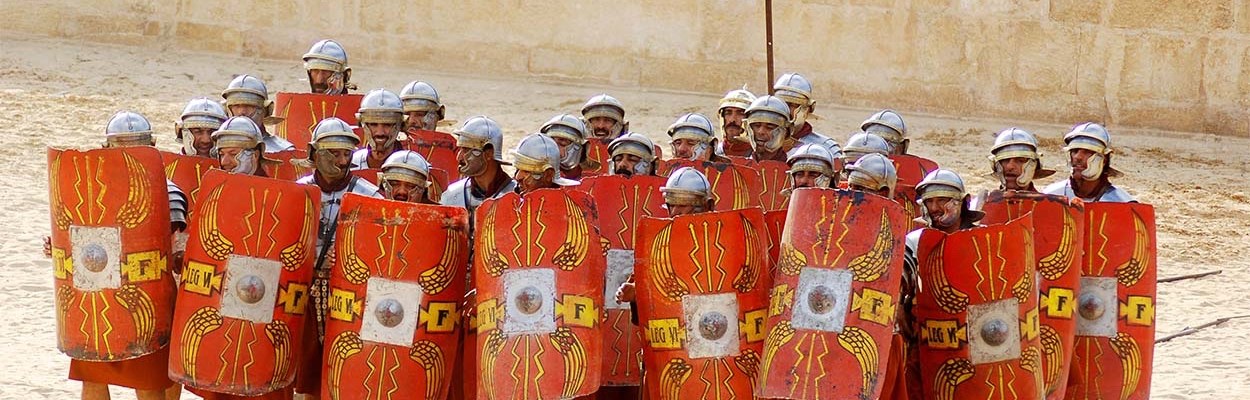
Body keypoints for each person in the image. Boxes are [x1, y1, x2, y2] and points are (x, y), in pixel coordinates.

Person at [54, 111, 185, 400]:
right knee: (93, 381)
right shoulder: (91, 192)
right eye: (120, 146)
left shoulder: (169, 192)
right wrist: (61, 246)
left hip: (146, 305)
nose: (128, 154)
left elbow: (173, 250)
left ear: (151, 147)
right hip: (97, 303)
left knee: (148, 385)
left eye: (136, 146)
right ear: (106, 149)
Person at [293, 117, 382, 400]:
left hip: (351, 297)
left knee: (349, 370)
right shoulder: (298, 191)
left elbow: (380, 250)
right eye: (334, 153)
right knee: (307, 374)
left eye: (347, 154)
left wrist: (349, 256)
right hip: (306, 293)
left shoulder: (370, 196)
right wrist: (314, 257)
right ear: (315, 153)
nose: (343, 161)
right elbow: (284, 242)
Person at [613, 166, 714, 305]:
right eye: (671, 205)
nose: (674, 212)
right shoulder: (658, 241)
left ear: (708, 206)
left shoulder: (726, 240)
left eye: (683, 205)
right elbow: (650, 283)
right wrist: (635, 291)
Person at [1042, 122, 1134, 202]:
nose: (1077, 157)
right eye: (1075, 151)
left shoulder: (1122, 202)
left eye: (1087, 152)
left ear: (1104, 160)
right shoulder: (1051, 196)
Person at [439, 116, 517, 209]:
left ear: (488, 153)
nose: (459, 157)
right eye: (460, 149)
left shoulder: (517, 197)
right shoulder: (452, 196)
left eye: (466, 150)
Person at [772, 73, 841, 157]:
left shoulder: (826, 148)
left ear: (808, 109)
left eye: (793, 105)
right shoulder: (760, 142)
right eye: (780, 103)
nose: (786, 110)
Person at [222, 74, 295, 153]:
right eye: (236, 106)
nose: (241, 112)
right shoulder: (219, 150)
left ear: (266, 110)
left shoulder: (283, 150)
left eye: (249, 106)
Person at [987, 127, 1056, 194]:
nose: (1010, 166)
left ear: (1034, 165)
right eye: (1004, 160)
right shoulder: (985, 201)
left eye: (1020, 160)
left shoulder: (1048, 202)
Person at [349, 89, 406, 170]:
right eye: (373, 124)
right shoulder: (352, 163)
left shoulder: (413, 164)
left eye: (387, 125)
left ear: (400, 125)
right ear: (363, 125)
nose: (380, 132)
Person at [509, 133, 582, 194]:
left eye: (527, 171)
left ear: (548, 175)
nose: (518, 177)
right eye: (517, 169)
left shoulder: (569, 204)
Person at [539, 113, 599, 180]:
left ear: (581, 149)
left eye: (562, 144)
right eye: (551, 144)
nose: (555, 150)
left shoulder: (594, 178)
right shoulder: (537, 178)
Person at [744, 95, 795, 162]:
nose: (761, 132)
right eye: (757, 125)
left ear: (786, 132)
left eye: (769, 127)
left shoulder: (795, 166)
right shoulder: (738, 165)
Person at [716, 86, 756, 157]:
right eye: (728, 113)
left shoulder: (762, 156)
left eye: (740, 113)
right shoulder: (710, 154)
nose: (732, 120)